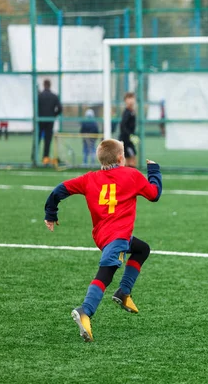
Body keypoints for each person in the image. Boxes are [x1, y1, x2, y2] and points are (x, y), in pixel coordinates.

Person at [43, 139, 162, 342]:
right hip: (118, 237)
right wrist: (154, 171)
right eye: (123, 153)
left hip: (103, 236)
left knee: (142, 249)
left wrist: (51, 213)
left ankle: (124, 292)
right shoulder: (132, 175)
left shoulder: (89, 179)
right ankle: (85, 311)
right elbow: (154, 194)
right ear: (119, 158)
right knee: (105, 274)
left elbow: (59, 190)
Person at [37, 79, 62, 164]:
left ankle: (34, 157)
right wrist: (53, 115)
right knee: (47, 140)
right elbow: (60, 108)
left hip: (39, 120)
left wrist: (39, 115)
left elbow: (35, 107)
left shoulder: (39, 96)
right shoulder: (54, 96)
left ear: (44, 85)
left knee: (37, 138)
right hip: (50, 121)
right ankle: (45, 158)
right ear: (50, 85)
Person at [119, 92, 138, 167]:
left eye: (132, 98)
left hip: (129, 140)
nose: (131, 100)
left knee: (132, 159)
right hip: (126, 141)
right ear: (126, 100)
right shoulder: (127, 112)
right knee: (130, 160)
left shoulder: (132, 112)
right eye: (129, 98)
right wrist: (130, 136)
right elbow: (122, 126)